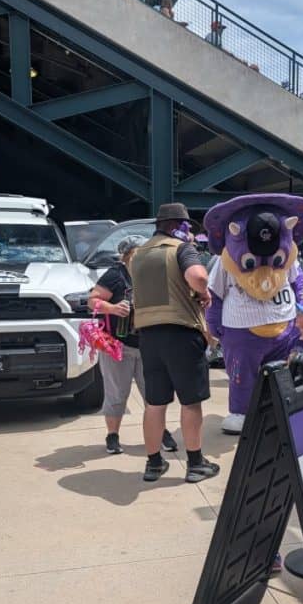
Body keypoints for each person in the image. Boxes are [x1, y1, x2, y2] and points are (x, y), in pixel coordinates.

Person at [130, 202, 219, 484]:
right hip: (181, 333)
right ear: (178, 227)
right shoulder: (181, 248)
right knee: (190, 402)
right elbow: (199, 277)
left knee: (155, 403)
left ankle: (154, 464)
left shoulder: (138, 255)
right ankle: (195, 464)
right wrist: (203, 292)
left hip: (148, 336)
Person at [87, 236, 177, 456]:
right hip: (119, 344)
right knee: (117, 393)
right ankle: (113, 435)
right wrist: (113, 307)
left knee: (154, 393)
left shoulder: (154, 273)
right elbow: (93, 300)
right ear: (126, 256)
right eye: (137, 253)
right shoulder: (116, 275)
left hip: (149, 344)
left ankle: (161, 432)